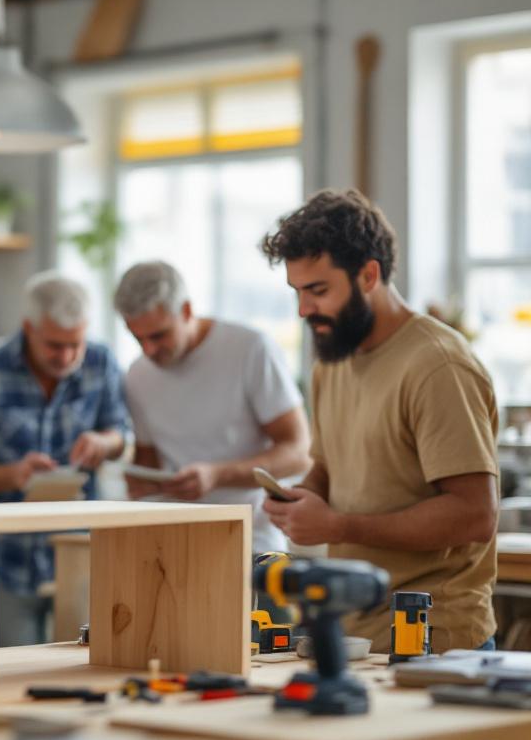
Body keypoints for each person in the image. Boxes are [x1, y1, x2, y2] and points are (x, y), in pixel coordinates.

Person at [259, 189, 499, 652]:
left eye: (318, 290)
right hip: (352, 635)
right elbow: (329, 468)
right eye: (297, 292)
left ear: (369, 274)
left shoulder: (438, 366)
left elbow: (475, 515)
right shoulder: (333, 359)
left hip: (436, 641)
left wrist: (339, 526)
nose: (304, 310)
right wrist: (302, 498)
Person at [0, 272, 129, 647]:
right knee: (12, 669)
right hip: (7, 559)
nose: (66, 356)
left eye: (75, 344)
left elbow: (121, 434)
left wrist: (102, 442)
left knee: (82, 663)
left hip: (82, 553)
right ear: (29, 327)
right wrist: (15, 474)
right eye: (54, 345)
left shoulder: (101, 362)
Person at [114, 261, 310, 554]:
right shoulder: (138, 374)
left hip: (251, 546)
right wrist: (139, 483)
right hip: (172, 549)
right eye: (137, 338)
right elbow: (148, 464)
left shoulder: (250, 350)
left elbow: (299, 453)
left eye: (158, 335)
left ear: (187, 311)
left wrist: (217, 475)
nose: (148, 350)